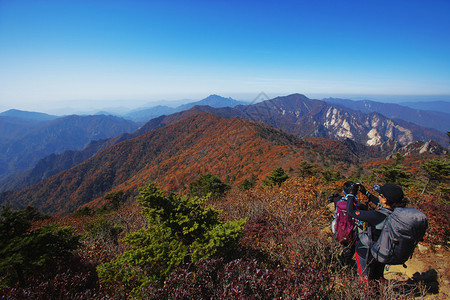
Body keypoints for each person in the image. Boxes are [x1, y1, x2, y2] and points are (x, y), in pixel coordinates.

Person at [346, 183, 405, 281]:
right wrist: (366, 192)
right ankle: (379, 292)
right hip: (384, 250)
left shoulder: (376, 216)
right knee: (378, 276)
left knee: (364, 277)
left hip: (366, 250)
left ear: (385, 200)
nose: (378, 196)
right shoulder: (398, 213)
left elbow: (351, 212)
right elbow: (381, 203)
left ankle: (365, 293)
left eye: (380, 195)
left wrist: (351, 194)